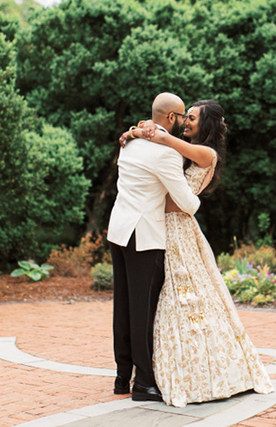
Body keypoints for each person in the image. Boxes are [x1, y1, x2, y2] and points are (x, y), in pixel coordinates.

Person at [123, 99, 273, 407]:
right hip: (158, 225)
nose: (186, 122)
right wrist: (134, 133)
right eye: (185, 117)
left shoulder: (206, 153)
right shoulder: (182, 147)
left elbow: (164, 138)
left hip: (178, 228)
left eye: (191, 119)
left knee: (185, 295)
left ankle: (199, 370)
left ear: (206, 124)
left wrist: (144, 130)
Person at [106, 92, 201, 402]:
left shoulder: (129, 143)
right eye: (182, 115)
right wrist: (199, 196)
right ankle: (144, 383)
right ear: (170, 118)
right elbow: (187, 203)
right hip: (143, 237)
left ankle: (123, 376)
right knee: (142, 310)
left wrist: (137, 130)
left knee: (123, 306)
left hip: (119, 230)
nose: (185, 120)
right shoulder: (166, 154)